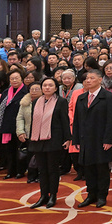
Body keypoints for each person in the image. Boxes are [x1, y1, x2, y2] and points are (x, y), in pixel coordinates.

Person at [72, 69, 112, 208]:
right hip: (85, 139)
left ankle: (102, 196)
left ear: (100, 80)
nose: (88, 80)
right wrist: (76, 139)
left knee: (101, 169)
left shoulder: (108, 97)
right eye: (87, 78)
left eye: (92, 78)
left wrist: (109, 139)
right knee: (88, 169)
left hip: (101, 139)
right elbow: (77, 120)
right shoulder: (81, 98)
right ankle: (91, 194)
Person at [26, 77, 70, 209]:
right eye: (45, 85)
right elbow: (33, 121)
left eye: (50, 85)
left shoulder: (61, 101)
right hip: (38, 140)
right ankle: (43, 195)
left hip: (54, 139)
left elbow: (65, 121)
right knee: (42, 170)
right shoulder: (36, 101)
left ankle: (53, 195)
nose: (47, 88)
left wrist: (67, 138)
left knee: (53, 169)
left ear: (56, 88)